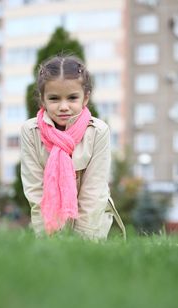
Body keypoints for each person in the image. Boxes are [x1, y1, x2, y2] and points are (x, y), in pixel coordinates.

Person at [20, 54, 125, 240]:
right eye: (54, 98)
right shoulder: (31, 132)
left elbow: (94, 191)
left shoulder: (98, 132)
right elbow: (35, 190)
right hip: (49, 224)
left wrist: (83, 241)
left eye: (72, 98)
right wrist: (46, 237)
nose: (63, 106)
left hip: (92, 223)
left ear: (85, 98)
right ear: (42, 100)